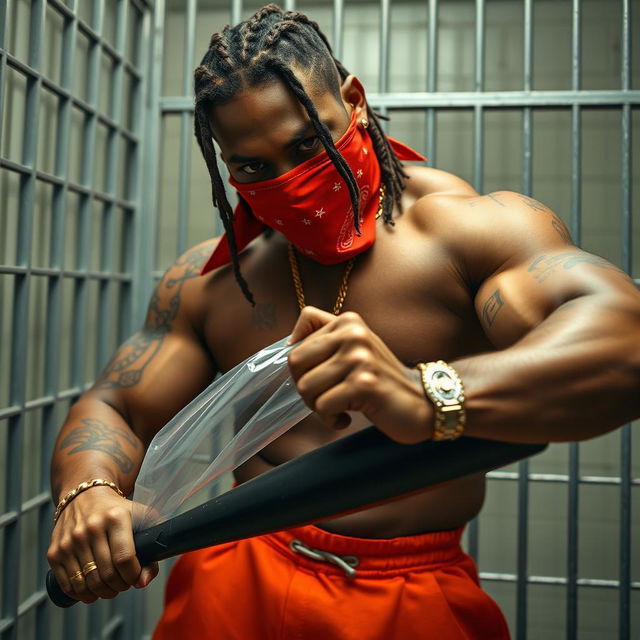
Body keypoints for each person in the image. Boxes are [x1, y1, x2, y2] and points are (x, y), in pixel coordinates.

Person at [47, 5, 640, 639]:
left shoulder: (467, 234)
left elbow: (625, 344)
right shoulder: (216, 282)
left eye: (308, 144)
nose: (290, 182)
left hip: (407, 593)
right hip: (237, 572)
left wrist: (429, 393)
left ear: (352, 99)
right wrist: (89, 492)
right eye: (252, 168)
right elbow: (119, 405)